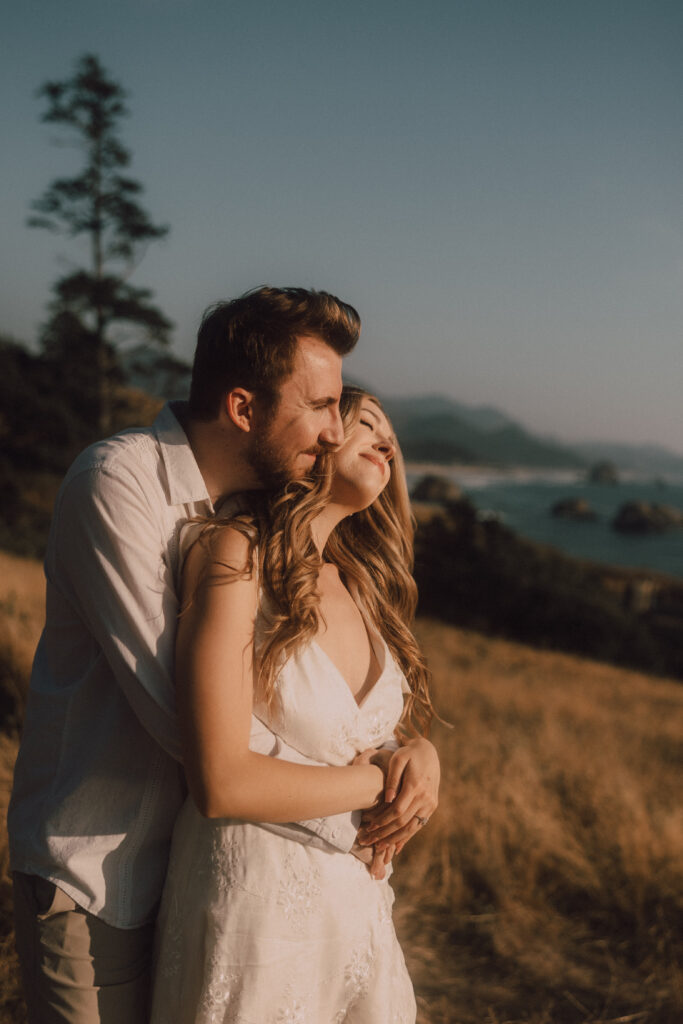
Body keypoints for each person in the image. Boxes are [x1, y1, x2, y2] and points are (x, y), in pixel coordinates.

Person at [8, 287, 439, 1024]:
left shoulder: (249, 524)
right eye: (321, 407)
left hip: (212, 881)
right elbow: (193, 730)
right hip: (100, 875)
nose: (336, 433)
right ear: (243, 408)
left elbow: (281, 697)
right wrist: (371, 787)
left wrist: (410, 752)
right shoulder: (120, 483)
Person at [150, 386, 436, 1024]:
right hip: (258, 905)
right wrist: (375, 784)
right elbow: (220, 783)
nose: (386, 441)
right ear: (319, 434)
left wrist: (418, 755)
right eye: (364, 421)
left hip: (357, 907)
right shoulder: (236, 553)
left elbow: (363, 738)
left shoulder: (361, 587)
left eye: (391, 435)